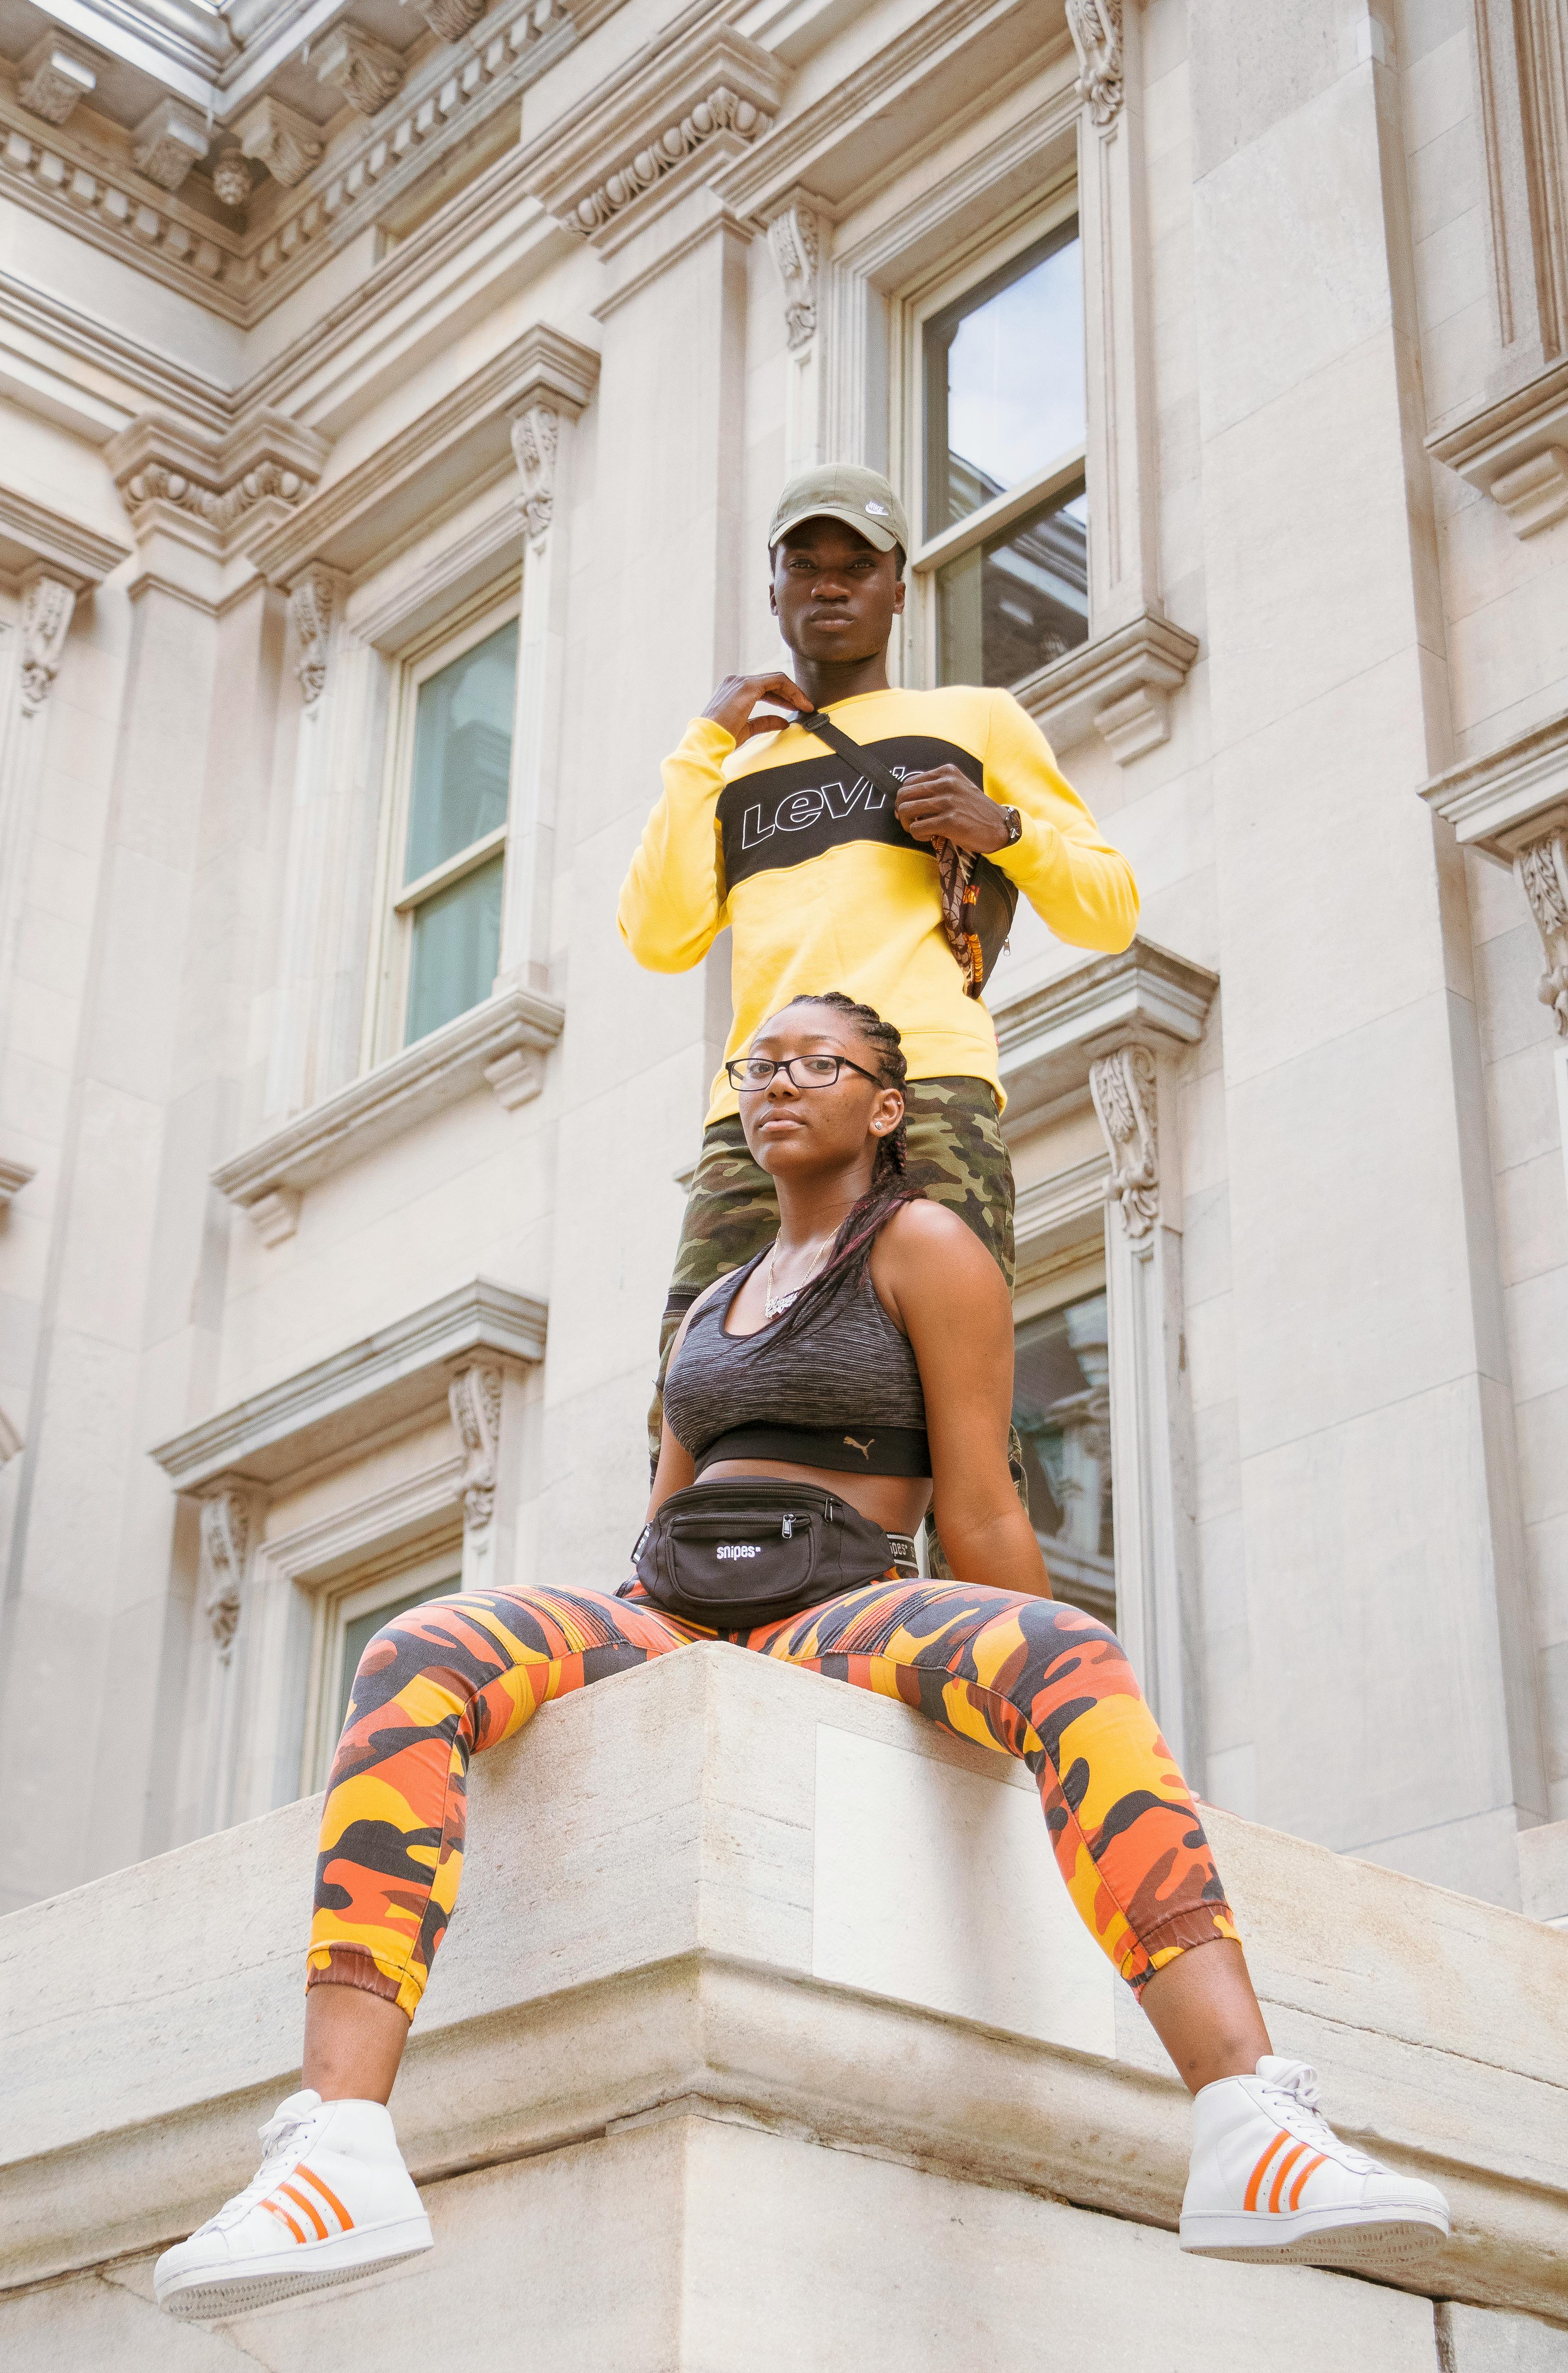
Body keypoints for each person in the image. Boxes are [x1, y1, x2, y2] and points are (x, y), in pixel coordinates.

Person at [155, 993, 1450, 2322]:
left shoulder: (924, 1247)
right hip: (667, 1604)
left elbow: (987, 1501)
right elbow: (661, 1511)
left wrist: (1022, 1705)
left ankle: (1247, 2120)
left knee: (1064, 1654)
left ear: (884, 1104)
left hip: (836, 1603)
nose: (777, 1084)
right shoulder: (714, 1303)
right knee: (420, 1644)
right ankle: (338, 2144)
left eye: (814, 1065)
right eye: (756, 1066)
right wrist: (601, 1653)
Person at [616, 462, 1139, 1491]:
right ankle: (692, 1619)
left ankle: (958, 1632)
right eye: (803, 566)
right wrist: (701, 743)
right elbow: (659, 935)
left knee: (950, 1394)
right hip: (758, 1110)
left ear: (899, 585)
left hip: (927, 1087)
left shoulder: (977, 720)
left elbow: (1109, 908)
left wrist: (1007, 833)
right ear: (772, 590)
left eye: (858, 565)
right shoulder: (728, 770)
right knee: (692, 1389)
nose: (829, 584)